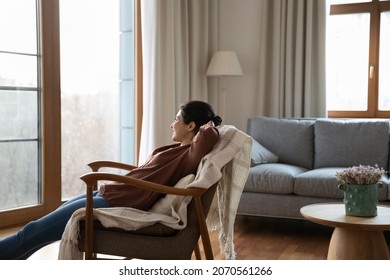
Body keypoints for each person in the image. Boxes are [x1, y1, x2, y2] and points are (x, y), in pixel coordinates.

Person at [0, 100, 222, 260]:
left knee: (35, 229)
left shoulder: (189, 154)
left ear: (191, 126)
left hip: (119, 202)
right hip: (112, 193)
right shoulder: (180, 149)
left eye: (177, 119)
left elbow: (210, 136)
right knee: (39, 230)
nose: (172, 124)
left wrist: (210, 124)